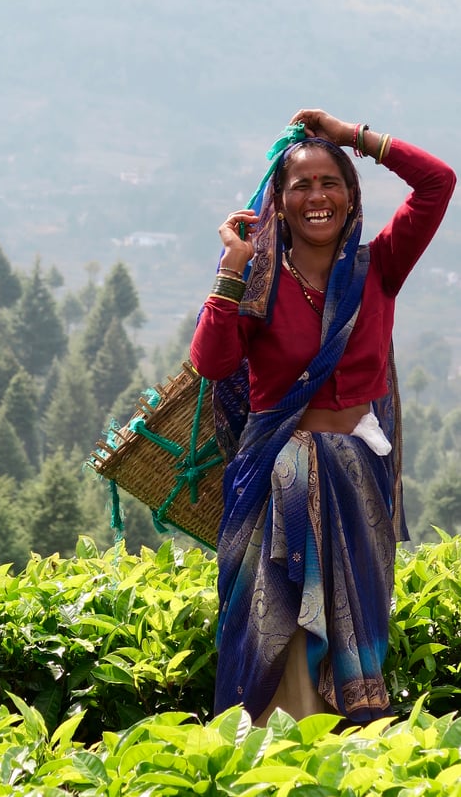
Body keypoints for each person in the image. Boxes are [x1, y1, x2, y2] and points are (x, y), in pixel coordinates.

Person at [190, 109, 456, 726]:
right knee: (271, 627)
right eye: (300, 185)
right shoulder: (257, 284)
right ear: (278, 204)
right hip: (271, 486)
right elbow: (212, 363)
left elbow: (438, 181)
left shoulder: (379, 268)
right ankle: (266, 753)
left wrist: (351, 137)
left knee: (350, 626)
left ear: (351, 194)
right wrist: (232, 269)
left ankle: (342, 750)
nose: (316, 197)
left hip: (356, 479)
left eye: (329, 182)